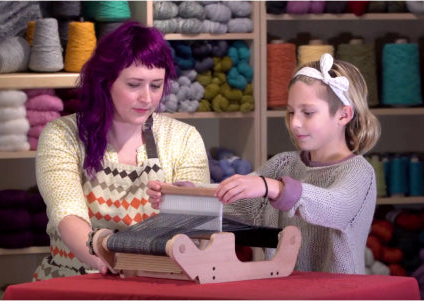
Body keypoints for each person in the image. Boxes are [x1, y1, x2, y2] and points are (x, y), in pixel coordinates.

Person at [150, 53, 381, 274]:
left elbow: (335, 208)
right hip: (286, 293)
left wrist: (274, 188)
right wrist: (190, 197)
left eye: (308, 113)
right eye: (291, 112)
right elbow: (236, 204)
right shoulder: (283, 163)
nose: (295, 123)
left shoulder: (359, 172)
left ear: (343, 115)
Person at [32, 21, 210, 281]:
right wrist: (104, 257)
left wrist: (186, 203)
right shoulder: (62, 135)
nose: (147, 99)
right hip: (76, 281)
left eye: (156, 85)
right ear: (106, 82)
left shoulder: (183, 138)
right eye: (134, 84)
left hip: (159, 282)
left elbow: (198, 230)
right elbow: (66, 212)